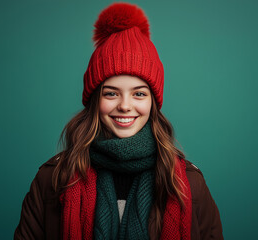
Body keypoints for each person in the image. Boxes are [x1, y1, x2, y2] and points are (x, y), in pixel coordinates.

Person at [14, 2, 223, 240]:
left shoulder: (188, 183)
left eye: (139, 93)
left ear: (152, 103)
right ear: (95, 101)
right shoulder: (53, 179)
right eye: (111, 93)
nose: (125, 105)